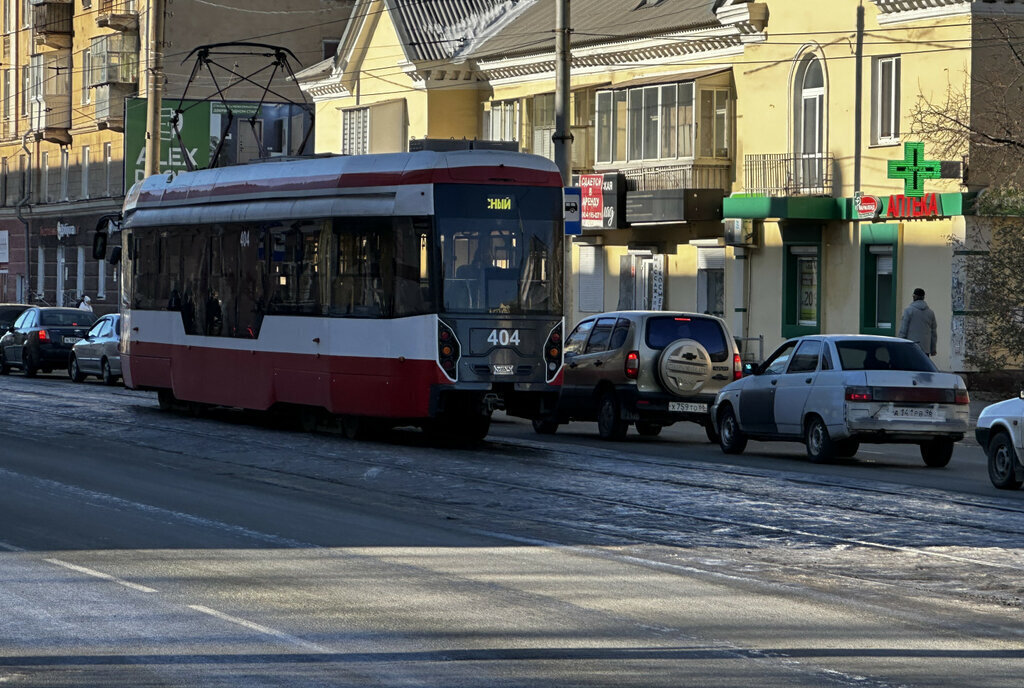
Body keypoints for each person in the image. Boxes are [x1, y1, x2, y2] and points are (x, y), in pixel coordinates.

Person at [898, 287, 937, 357]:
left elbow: (903, 330)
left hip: (911, 347)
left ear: (914, 297)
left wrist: (900, 345)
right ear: (923, 297)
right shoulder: (930, 313)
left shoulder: (908, 311)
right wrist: (933, 349)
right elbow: (933, 333)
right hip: (925, 349)